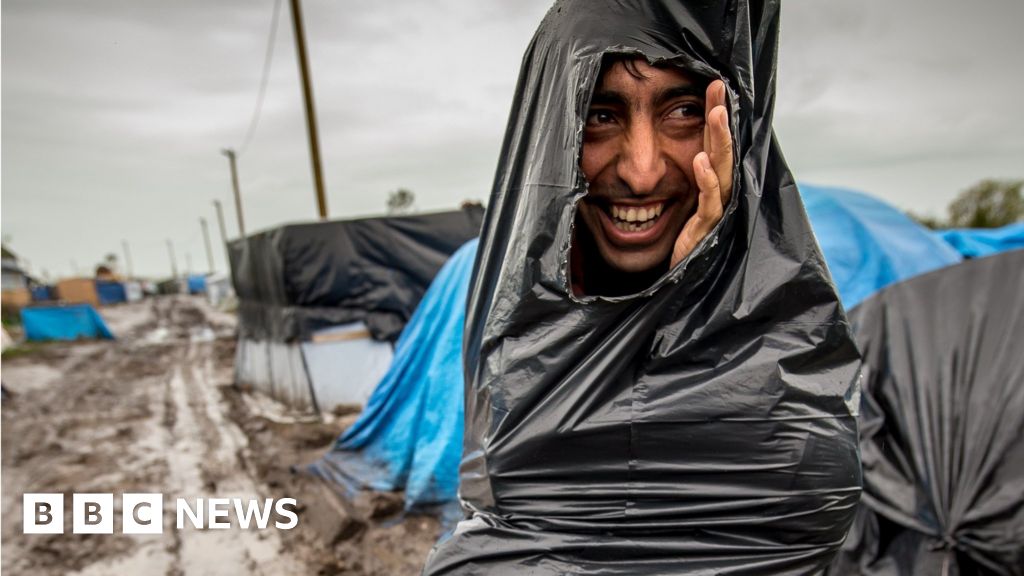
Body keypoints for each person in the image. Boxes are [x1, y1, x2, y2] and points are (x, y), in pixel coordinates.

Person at [423, 1, 862, 574]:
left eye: (682, 109)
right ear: (550, 138)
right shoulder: (518, 332)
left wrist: (695, 291)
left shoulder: (785, 338)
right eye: (600, 115)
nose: (642, 170)